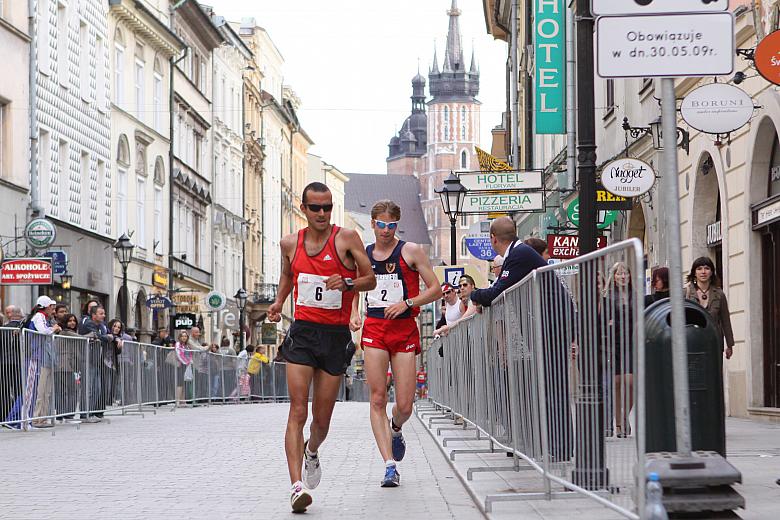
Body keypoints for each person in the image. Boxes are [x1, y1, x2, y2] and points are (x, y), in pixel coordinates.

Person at [268, 181, 376, 513]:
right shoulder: (290, 243)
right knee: (297, 410)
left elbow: (370, 278)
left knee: (321, 419)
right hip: (302, 333)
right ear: (304, 209)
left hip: (334, 336)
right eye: (315, 207)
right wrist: (277, 303)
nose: (322, 213)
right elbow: (288, 277)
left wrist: (347, 282)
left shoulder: (346, 238)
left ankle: (312, 450)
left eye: (327, 207)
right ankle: (296, 486)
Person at [349, 200, 442, 487]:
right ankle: (389, 465)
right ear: (373, 224)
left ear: (396, 225)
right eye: (381, 225)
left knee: (404, 404)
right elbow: (356, 285)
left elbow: (436, 288)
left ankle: (397, 427)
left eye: (391, 225)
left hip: (404, 329)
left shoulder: (411, 251)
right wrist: (354, 313)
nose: (386, 231)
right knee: (377, 398)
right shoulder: (363, 255)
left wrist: (408, 303)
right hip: (375, 327)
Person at [470, 218, 547, 307]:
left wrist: (474, 295)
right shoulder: (516, 252)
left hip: (552, 315)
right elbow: (496, 288)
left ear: (494, 239)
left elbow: (496, 293)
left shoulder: (518, 254)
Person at [602, 262, 635, 438]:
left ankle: (624, 415)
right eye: (619, 274)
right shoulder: (607, 297)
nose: (623, 276)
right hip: (612, 342)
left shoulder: (635, 296)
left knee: (631, 382)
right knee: (616, 383)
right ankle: (619, 424)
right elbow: (603, 319)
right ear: (613, 277)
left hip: (631, 341)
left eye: (625, 273)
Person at [685, 256, 735, 360]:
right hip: (692, 343)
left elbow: (725, 320)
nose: (703, 272)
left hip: (714, 343)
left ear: (712, 272)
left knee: (714, 374)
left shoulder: (719, 294)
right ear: (694, 273)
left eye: (707, 268)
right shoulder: (686, 293)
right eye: (699, 269)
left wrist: (729, 345)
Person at [29, 296, 62, 427]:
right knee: (41, 390)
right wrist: (54, 329)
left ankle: (43, 417)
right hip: (40, 355)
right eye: (51, 307)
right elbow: (43, 331)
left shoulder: (46, 318)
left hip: (47, 356)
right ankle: (37, 418)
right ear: (46, 307)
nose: (53, 310)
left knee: (46, 391)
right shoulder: (39, 316)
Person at [79, 306, 115, 420]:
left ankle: (91, 412)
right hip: (88, 359)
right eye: (101, 313)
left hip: (98, 360)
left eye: (104, 313)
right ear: (93, 315)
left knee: (97, 388)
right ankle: (85, 414)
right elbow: (98, 336)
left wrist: (109, 337)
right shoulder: (89, 323)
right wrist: (107, 337)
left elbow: (109, 336)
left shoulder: (101, 326)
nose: (104, 315)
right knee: (89, 389)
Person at [56, 313, 82, 421]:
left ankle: (66, 413)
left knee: (69, 390)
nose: (72, 323)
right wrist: (93, 335)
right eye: (70, 321)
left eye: (74, 321)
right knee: (68, 390)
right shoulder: (66, 332)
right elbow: (82, 337)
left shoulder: (69, 332)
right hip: (64, 366)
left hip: (68, 366)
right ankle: (65, 413)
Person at [172, 331, 193, 405]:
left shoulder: (187, 345)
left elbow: (190, 354)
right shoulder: (178, 344)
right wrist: (185, 362)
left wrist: (189, 361)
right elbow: (178, 354)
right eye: (182, 336)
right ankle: (177, 400)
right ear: (180, 337)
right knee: (179, 383)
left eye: (185, 336)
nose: (184, 337)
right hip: (180, 365)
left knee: (183, 383)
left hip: (186, 365)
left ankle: (182, 400)